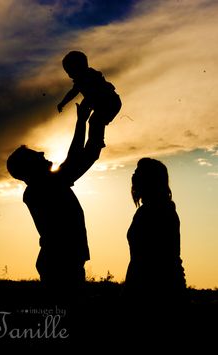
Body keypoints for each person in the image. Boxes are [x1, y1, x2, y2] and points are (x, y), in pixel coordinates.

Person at [6, 102, 102, 301]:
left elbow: (84, 156)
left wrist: (90, 124)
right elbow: (78, 157)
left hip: (61, 261)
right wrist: (85, 122)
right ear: (29, 168)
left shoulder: (44, 186)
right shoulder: (43, 187)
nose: (41, 153)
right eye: (35, 155)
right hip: (61, 263)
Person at [123, 158, 187, 312]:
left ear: (150, 180)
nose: (134, 176)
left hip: (156, 293)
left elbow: (164, 260)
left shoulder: (159, 211)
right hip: (143, 289)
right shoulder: (148, 210)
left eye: (138, 173)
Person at [57, 50, 122, 148]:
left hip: (111, 103)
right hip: (106, 104)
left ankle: (97, 142)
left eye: (70, 72)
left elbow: (93, 93)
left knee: (95, 121)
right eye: (67, 72)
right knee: (95, 121)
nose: (69, 75)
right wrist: (63, 102)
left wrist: (85, 104)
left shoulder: (90, 77)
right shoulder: (81, 80)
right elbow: (74, 92)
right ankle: (96, 141)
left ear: (79, 67)